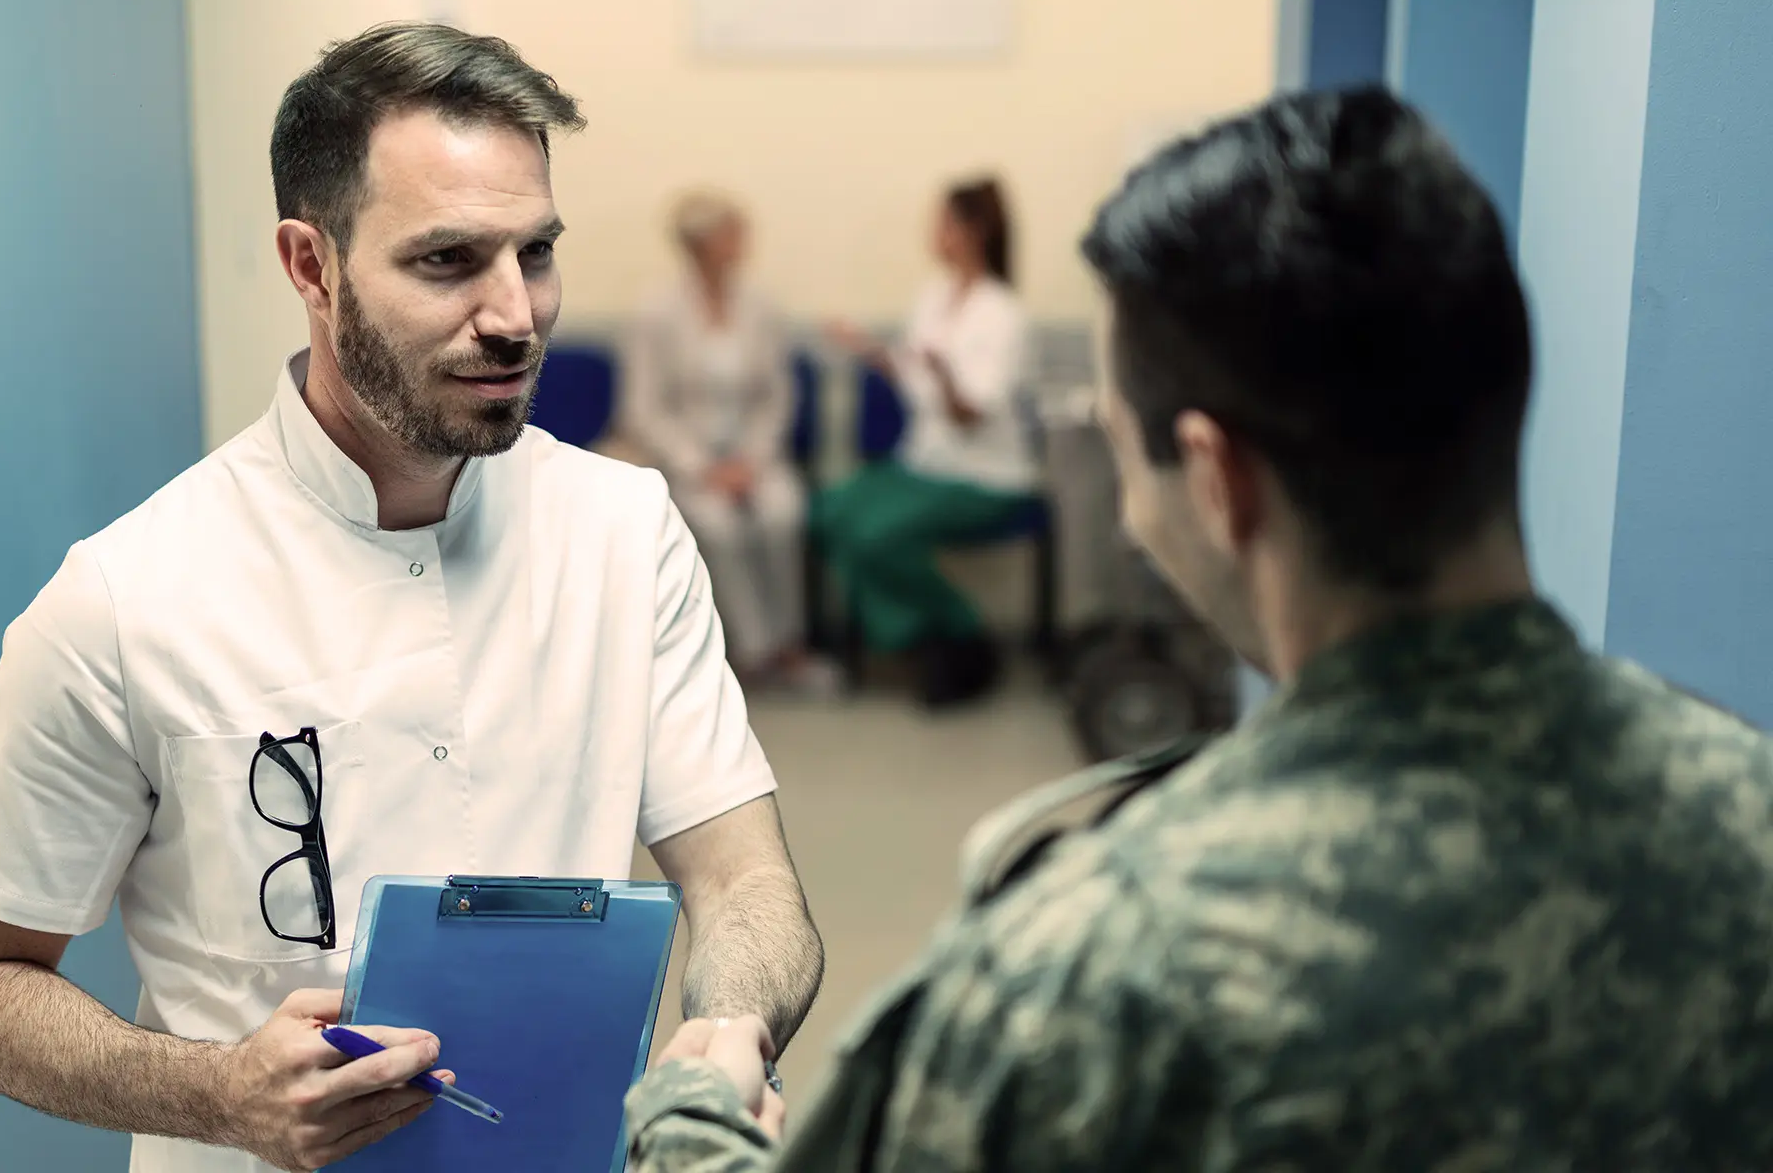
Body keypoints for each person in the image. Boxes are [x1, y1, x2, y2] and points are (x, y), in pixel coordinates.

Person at [620, 87, 1773, 1169]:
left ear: (1218, 482)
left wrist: (691, 1119)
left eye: (1127, 454)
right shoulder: (1746, 807)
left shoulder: (1098, 966)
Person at [0, 23, 822, 1173]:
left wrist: (724, 1039)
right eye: (448, 261)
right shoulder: (127, 599)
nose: (516, 315)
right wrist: (218, 1093)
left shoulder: (624, 535)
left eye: (534, 253)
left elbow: (743, 876)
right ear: (311, 263)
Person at [820, 177, 1039, 708]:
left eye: (945, 222)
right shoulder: (934, 298)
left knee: (874, 535)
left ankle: (959, 633)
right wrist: (874, 352)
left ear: (975, 232)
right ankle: (929, 635)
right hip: (923, 465)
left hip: (984, 476)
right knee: (828, 512)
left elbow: (968, 415)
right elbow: (915, 384)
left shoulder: (1004, 314)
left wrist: (942, 375)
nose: (934, 233)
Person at [619, 190, 837, 695]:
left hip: (754, 458)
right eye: (731, 233)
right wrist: (701, 466)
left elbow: (777, 395)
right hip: (686, 461)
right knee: (717, 526)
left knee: (782, 511)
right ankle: (751, 652)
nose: (742, 243)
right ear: (699, 244)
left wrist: (752, 460)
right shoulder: (656, 310)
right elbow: (644, 409)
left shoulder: (760, 305)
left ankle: (791, 646)